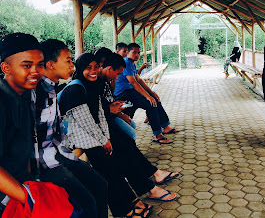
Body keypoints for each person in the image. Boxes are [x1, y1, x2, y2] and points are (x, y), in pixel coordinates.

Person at [58, 53, 178, 218]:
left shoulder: (93, 85)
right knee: (111, 168)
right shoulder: (75, 88)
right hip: (81, 139)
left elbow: (99, 113)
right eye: (88, 68)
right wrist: (104, 139)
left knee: (120, 152)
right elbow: (86, 122)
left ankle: (135, 198)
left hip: (96, 135)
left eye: (96, 67)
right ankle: (127, 207)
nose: (93, 71)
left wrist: (105, 137)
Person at [0, 33, 72, 217]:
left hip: (23, 184)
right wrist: (30, 199)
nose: (35, 71)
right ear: (6, 68)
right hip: (8, 199)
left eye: (39, 65)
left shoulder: (24, 95)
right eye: (26, 65)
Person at [36, 39, 108, 218]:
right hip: (44, 163)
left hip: (61, 152)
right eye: (68, 61)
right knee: (87, 201)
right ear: (51, 64)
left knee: (100, 184)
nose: (72, 66)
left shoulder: (52, 88)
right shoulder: (36, 92)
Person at [114, 43, 179, 144]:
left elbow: (139, 80)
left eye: (138, 53)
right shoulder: (126, 62)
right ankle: (158, 135)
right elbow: (133, 82)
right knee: (150, 103)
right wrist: (148, 97)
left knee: (154, 99)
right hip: (123, 93)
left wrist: (151, 93)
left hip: (130, 91)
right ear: (128, 52)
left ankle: (165, 126)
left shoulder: (132, 63)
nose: (137, 55)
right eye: (134, 52)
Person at [99, 52, 137, 140]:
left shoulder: (106, 81)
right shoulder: (96, 82)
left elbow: (109, 99)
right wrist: (116, 112)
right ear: (109, 68)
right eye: (118, 74)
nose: (117, 78)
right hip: (105, 117)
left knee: (132, 124)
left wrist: (116, 105)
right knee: (132, 135)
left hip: (110, 114)